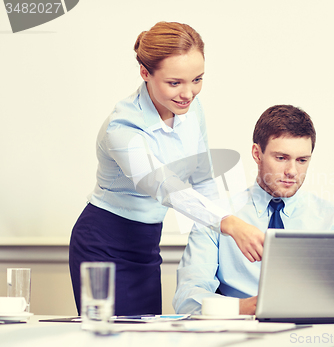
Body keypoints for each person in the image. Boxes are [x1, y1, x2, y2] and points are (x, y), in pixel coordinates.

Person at [69, 21, 264, 316]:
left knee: (149, 337)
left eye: (197, 80)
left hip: (147, 244)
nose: (189, 93)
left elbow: (202, 179)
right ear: (145, 73)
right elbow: (163, 185)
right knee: (111, 339)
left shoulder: (191, 110)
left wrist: (233, 228)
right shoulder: (122, 126)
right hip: (103, 242)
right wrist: (228, 223)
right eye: (175, 83)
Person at [173, 105, 334, 338]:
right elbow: (187, 298)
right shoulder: (217, 217)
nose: (292, 171)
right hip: (242, 337)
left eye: (302, 160)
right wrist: (246, 308)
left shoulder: (332, 218)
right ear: (256, 153)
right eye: (281, 158)